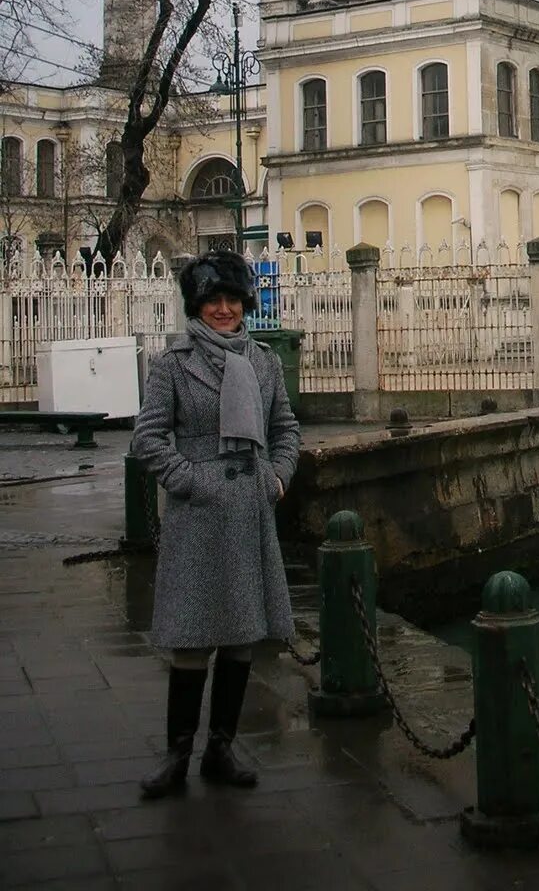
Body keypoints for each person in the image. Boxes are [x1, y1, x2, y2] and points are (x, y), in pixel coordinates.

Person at [132, 251, 301, 800]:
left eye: (232, 299)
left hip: (251, 510)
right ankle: (177, 753)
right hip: (198, 516)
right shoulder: (173, 363)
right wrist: (192, 480)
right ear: (197, 306)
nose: (224, 310)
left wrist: (276, 477)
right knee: (190, 639)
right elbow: (148, 438)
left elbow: (285, 429)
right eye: (212, 301)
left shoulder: (264, 361)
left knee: (241, 638)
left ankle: (221, 749)